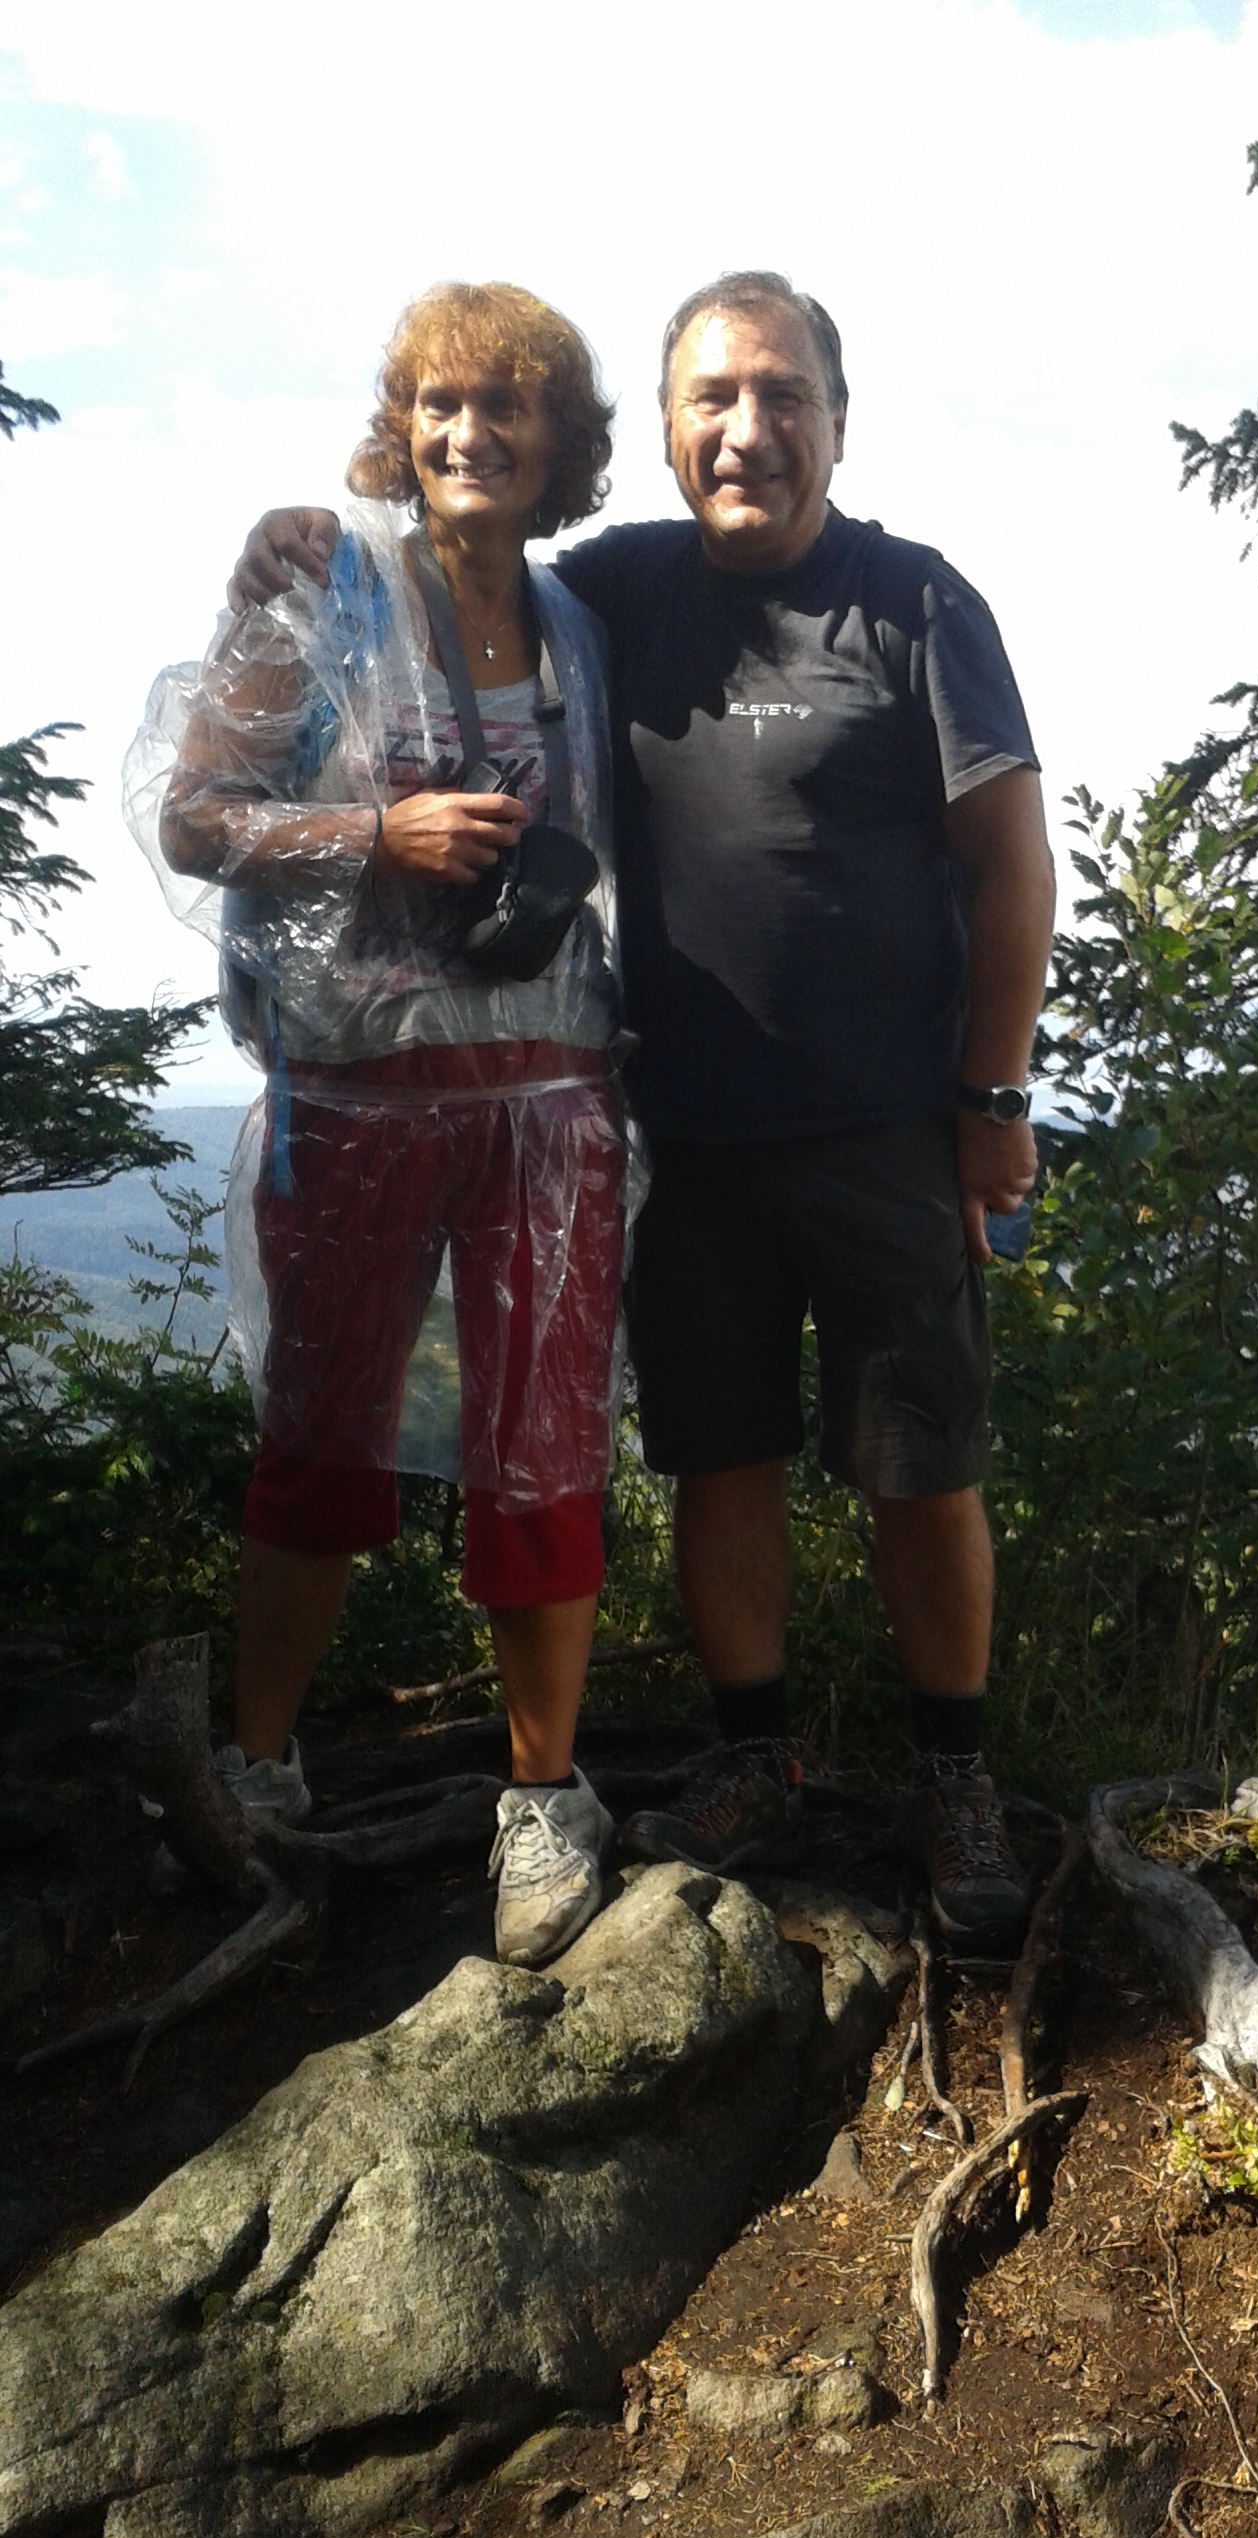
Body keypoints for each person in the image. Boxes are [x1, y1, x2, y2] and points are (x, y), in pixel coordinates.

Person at [228, 269, 1054, 1954]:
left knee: (921, 1463)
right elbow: (457, 544)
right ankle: (755, 1758)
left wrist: (992, 1096)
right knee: (719, 1458)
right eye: (713, 400)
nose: (748, 431)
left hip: (885, 1122)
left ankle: (952, 1777)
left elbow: (1011, 863)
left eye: (783, 396)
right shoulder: (611, 592)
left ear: (837, 419)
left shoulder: (911, 602)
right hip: (675, 1129)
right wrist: (309, 541)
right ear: (668, 435)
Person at [127, 280, 631, 1969]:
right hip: (357, 1099)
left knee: (544, 1450)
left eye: (505, 405)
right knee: (321, 1433)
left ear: (560, 440)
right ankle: (259, 1768)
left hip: (552, 1101)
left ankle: (542, 1799)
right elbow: (193, 816)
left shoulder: (580, 628)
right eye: (438, 403)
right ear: (400, 429)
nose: (467, 432)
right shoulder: (324, 589)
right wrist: (375, 834)